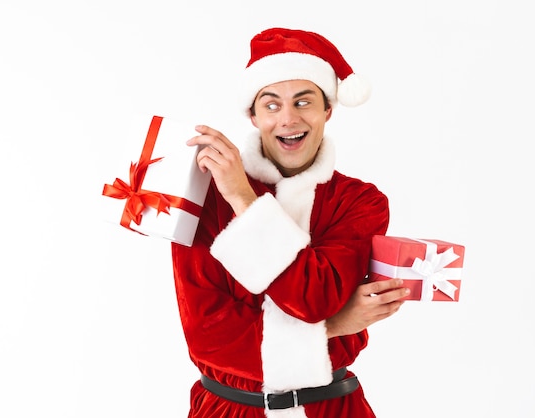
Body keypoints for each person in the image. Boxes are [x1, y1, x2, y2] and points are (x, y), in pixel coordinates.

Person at [171, 27, 410, 418]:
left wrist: (245, 201)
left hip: (333, 408)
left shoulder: (360, 202)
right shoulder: (206, 196)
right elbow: (209, 338)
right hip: (228, 410)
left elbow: (315, 299)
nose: (288, 119)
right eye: (271, 104)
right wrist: (332, 328)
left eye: (304, 102)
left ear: (327, 110)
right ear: (252, 114)